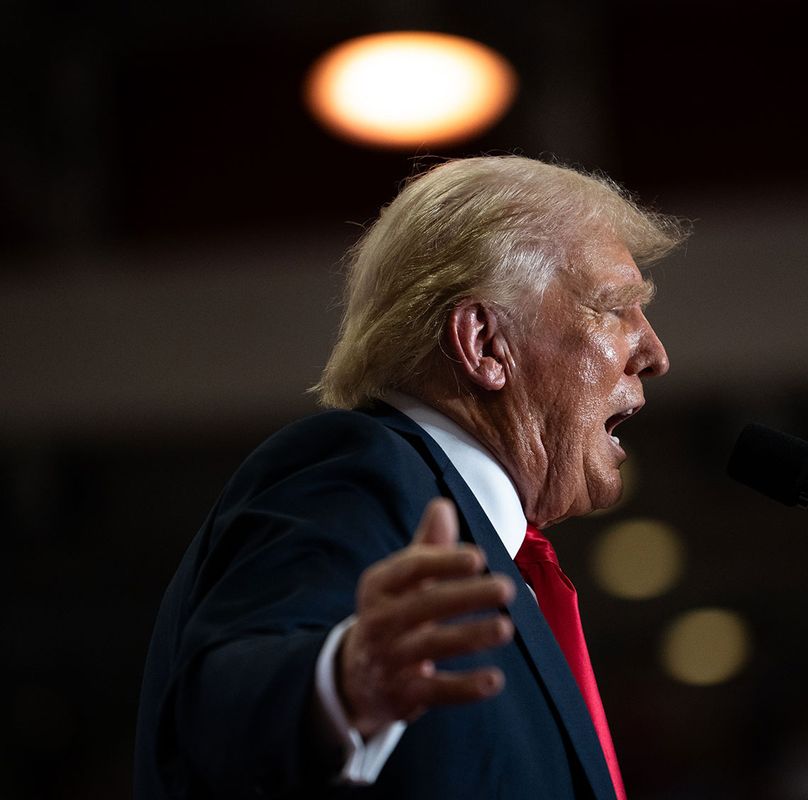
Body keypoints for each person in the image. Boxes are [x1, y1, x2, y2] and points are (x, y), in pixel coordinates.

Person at [133, 155, 686, 799]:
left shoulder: (492, 560)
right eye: (616, 308)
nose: (654, 354)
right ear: (484, 344)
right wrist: (343, 684)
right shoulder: (357, 466)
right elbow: (215, 712)